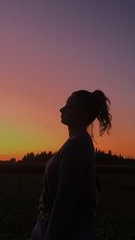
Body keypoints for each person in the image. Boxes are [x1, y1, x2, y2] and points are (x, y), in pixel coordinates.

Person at [29, 89, 112, 240]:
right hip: (51, 225)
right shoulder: (78, 142)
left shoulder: (77, 145)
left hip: (66, 232)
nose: (61, 109)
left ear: (83, 114)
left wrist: (50, 235)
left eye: (68, 106)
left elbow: (65, 202)